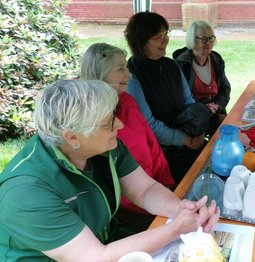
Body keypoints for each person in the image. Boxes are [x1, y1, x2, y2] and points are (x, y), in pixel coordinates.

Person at [0, 79, 219, 261]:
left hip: (107, 243)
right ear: (72, 137)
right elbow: (95, 257)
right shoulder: (26, 192)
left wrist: (181, 209)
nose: (120, 125)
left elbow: (145, 190)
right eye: (108, 122)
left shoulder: (106, 147)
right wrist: (176, 228)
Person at [80, 43, 176, 227]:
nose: (129, 74)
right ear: (100, 74)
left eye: (127, 68)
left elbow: (151, 144)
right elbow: (110, 180)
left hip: (152, 191)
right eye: (120, 69)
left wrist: (165, 182)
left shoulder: (127, 100)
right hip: (131, 205)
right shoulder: (91, 121)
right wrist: (153, 203)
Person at [125, 12, 211, 183]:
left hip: (188, 139)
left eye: (166, 34)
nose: (165, 40)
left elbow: (189, 102)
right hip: (162, 151)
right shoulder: (132, 76)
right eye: (158, 37)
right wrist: (184, 139)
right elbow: (149, 125)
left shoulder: (172, 65)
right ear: (141, 41)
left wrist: (198, 132)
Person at [173, 20, 231, 138]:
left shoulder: (216, 60)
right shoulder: (182, 64)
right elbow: (181, 98)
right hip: (194, 119)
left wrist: (218, 105)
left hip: (216, 112)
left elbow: (225, 88)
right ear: (193, 40)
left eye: (211, 38)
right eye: (204, 39)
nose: (208, 43)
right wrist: (206, 109)